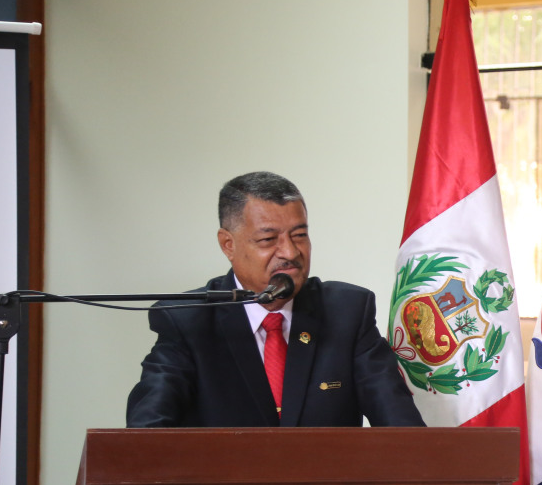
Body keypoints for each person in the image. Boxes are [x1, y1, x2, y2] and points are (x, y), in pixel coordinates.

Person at [126, 171, 425, 428]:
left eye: (299, 235)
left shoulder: (346, 312)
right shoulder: (188, 321)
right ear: (228, 244)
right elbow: (146, 434)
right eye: (269, 240)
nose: (291, 252)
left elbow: (401, 429)